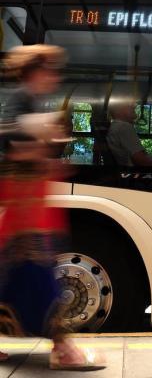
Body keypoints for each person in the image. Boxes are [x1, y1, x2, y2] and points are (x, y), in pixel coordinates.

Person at [0, 45, 105, 370]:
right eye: (51, 70)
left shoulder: (26, 99)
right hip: (25, 205)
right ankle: (62, 346)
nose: (55, 77)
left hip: (28, 202)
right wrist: (43, 144)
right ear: (36, 71)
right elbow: (10, 141)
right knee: (35, 269)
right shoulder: (20, 97)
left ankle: (59, 344)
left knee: (16, 273)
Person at [107, 103, 152, 167]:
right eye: (132, 109)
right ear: (121, 110)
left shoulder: (114, 126)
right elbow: (141, 160)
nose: (135, 116)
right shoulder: (124, 127)